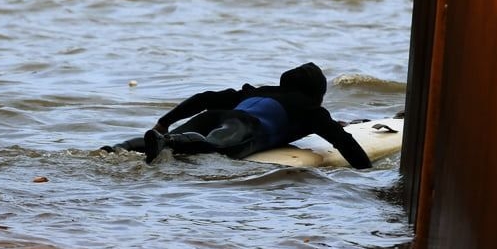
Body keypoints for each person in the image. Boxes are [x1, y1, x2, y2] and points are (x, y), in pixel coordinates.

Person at [105, 63, 372, 168]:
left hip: (219, 114)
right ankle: (170, 142)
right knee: (214, 146)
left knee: (174, 137)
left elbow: (203, 98)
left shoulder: (255, 92)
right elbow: (344, 142)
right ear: (317, 94)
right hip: (245, 127)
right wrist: (366, 173)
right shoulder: (312, 110)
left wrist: (165, 122)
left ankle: (118, 148)